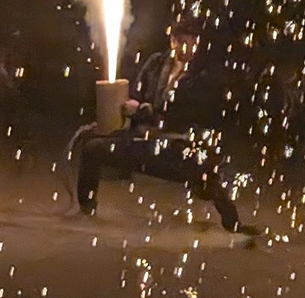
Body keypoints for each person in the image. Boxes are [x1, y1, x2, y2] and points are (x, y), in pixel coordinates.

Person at [76, 18, 257, 235]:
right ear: (172, 41)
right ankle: (87, 210)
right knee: (92, 147)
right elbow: (136, 95)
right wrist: (113, 117)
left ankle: (232, 222)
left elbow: (187, 113)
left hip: (179, 144)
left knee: (203, 174)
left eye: (191, 42)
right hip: (145, 139)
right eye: (181, 41)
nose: (187, 47)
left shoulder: (202, 75)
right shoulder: (155, 65)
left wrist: (144, 111)